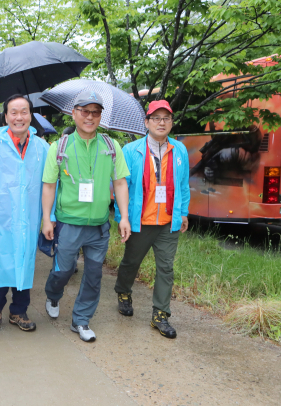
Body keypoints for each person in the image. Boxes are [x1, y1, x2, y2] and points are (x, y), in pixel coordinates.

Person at [41, 90, 131, 342]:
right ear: (74, 113)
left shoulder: (112, 147)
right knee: (63, 270)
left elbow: (121, 183)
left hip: (99, 225)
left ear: (100, 116)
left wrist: (123, 217)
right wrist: (46, 219)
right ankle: (53, 294)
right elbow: (48, 185)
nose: (90, 117)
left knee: (94, 274)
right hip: (68, 223)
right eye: (84, 111)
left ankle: (81, 320)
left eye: (95, 112)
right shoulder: (58, 147)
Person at [0, 95, 49, 331]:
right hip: (3, 215)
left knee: (25, 262)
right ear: (5, 117)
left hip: (30, 216)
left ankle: (19, 311)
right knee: (3, 262)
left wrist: (49, 217)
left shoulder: (41, 148)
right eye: (13, 112)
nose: (19, 117)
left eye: (24, 112)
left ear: (31, 116)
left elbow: (49, 184)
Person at [114, 100, 190, 339]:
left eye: (166, 118)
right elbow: (120, 186)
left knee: (166, 268)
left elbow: (183, 184)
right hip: (141, 220)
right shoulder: (131, 151)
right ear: (146, 122)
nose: (161, 123)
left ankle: (161, 314)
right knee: (131, 262)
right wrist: (122, 217)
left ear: (171, 122)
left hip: (168, 222)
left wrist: (184, 212)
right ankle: (123, 291)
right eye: (156, 118)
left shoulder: (180, 150)